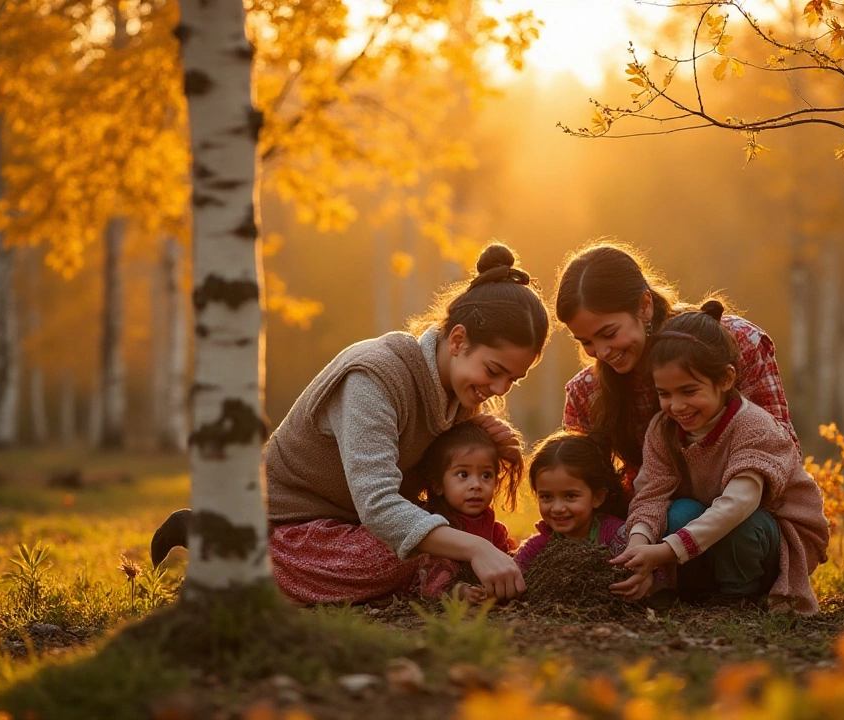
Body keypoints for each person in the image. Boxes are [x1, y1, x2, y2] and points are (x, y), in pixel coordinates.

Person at [150, 243, 549, 604]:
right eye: (494, 371)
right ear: (458, 340)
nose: (499, 389)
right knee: (399, 555)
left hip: (354, 527)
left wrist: (484, 444)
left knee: (443, 540)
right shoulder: (374, 377)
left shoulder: (459, 392)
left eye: (512, 379)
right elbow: (379, 506)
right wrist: (476, 550)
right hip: (297, 525)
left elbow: (438, 483)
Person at [610, 300, 830, 615]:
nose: (677, 406)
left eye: (689, 391)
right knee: (681, 511)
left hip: (770, 536)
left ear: (725, 379)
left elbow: (739, 503)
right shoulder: (663, 429)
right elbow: (651, 494)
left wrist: (666, 551)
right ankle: (700, 594)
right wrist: (638, 544)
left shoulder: (753, 426)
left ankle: (740, 598)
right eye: (665, 394)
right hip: (707, 532)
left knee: (744, 523)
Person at [555, 242, 797, 490]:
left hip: (746, 504)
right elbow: (582, 493)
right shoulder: (586, 394)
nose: (602, 352)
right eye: (586, 342)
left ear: (644, 305)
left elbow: (781, 451)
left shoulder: (738, 343)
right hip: (649, 518)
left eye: (609, 333)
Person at [410, 421, 522, 603]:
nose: (476, 485)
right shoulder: (439, 530)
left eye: (486, 475)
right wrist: (460, 592)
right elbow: (430, 582)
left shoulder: (495, 531)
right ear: (438, 485)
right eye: (463, 474)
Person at [512, 431, 633, 574]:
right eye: (546, 497)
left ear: (597, 497)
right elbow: (512, 573)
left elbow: (654, 572)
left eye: (570, 496)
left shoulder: (617, 537)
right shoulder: (539, 545)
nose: (557, 508)